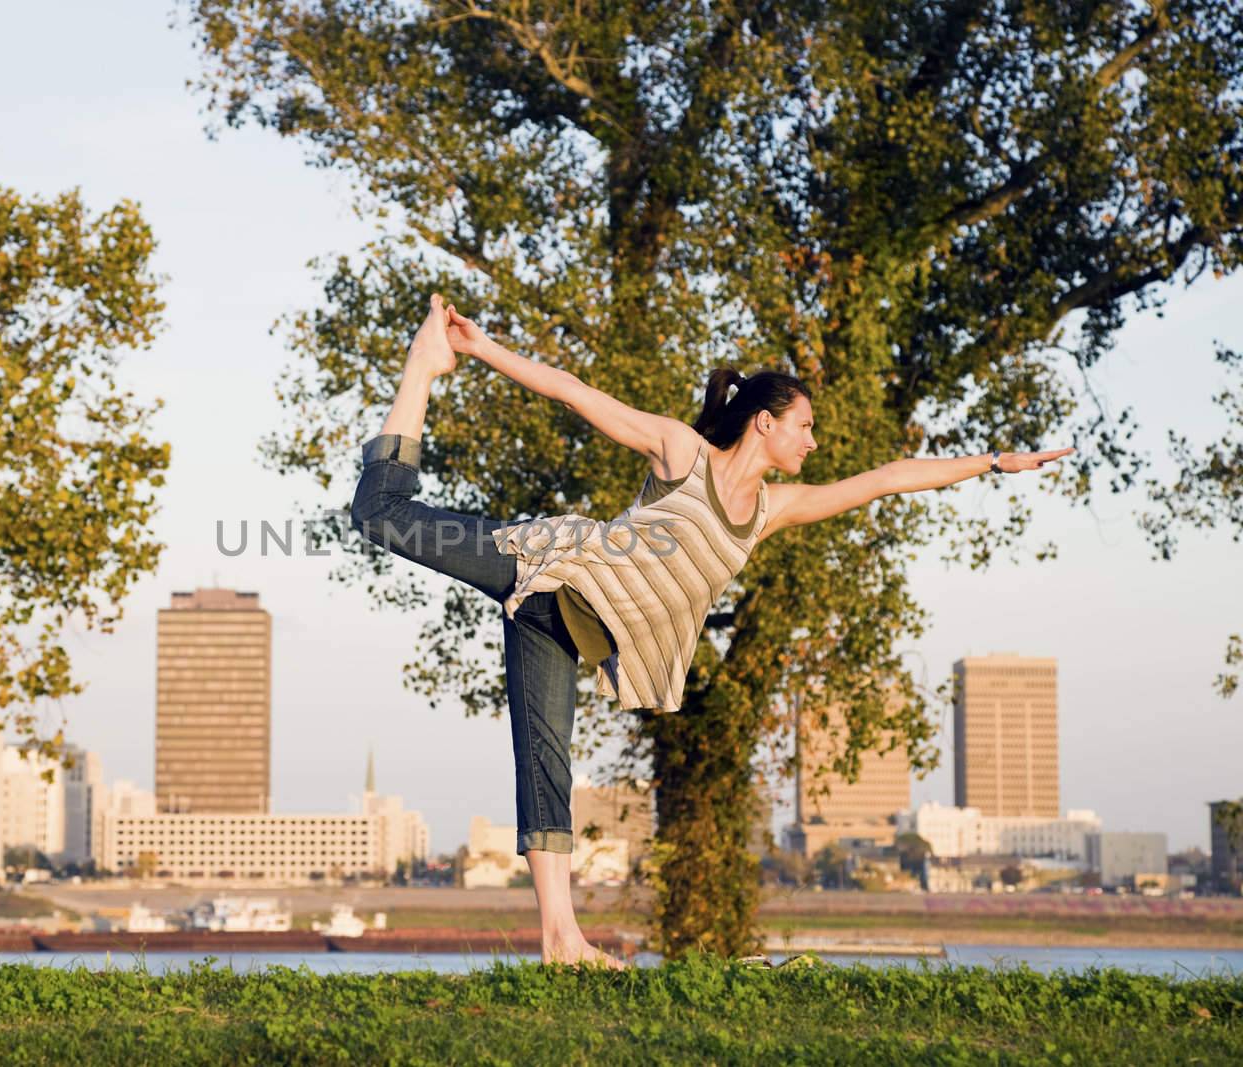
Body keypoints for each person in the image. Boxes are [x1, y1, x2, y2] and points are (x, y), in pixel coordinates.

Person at [349, 294, 1073, 968]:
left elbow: (884, 478)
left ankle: (560, 939)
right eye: (807, 426)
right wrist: (482, 350)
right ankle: (423, 364)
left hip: (566, 631)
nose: (814, 442)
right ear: (766, 419)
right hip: (544, 570)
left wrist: (993, 464)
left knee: (546, 766)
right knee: (382, 515)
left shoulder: (769, 511)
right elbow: (572, 391)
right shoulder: (681, 454)